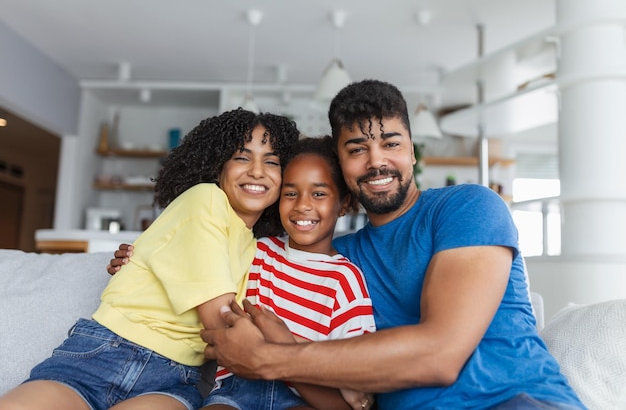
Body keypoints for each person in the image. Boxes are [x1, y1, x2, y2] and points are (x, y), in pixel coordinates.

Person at [200, 80, 587, 410]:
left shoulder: (468, 207)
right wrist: (141, 257)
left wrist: (269, 359)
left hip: (513, 401)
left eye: (391, 143)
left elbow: (440, 355)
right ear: (340, 165)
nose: (376, 161)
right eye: (356, 149)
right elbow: (223, 258)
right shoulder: (336, 261)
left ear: (412, 151)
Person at [0, 109, 300, 410]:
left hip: (172, 379)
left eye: (271, 161)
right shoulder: (205, 199)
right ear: (218, 166)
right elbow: (221, 322)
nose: (258, 171)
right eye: (242, 157)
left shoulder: (253, 245)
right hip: (101, 355)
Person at [109, 136, 377, 410]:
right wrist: (134, 259)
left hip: (300, 398)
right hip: (234, 392)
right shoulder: (255, 251)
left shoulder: (345, 279)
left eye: (319, 193)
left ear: (344, 204)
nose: (302, 205)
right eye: (290, 193)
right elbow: (191, 256)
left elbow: (351, 389)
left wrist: (286, 353)